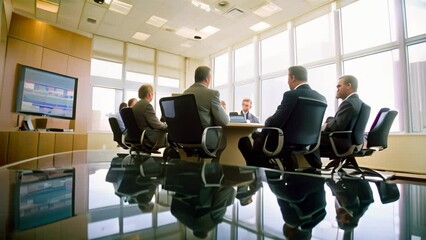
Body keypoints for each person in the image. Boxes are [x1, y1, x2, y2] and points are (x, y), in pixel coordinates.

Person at [238, 66, 326, 169]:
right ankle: (265, 169)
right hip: (309, 144)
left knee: (246, 140)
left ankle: (263, 171)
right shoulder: (321, 97)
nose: (288, 82)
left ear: (292, 77)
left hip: (285, 143)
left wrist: (267, 121)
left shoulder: (291, 95)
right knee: (257, 138)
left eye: (288, 78)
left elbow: (275, 121)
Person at [183, 66, 229, 156]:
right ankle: (214, 169)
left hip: (185, 139)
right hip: (206, 139)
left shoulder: (184, 93)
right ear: (207, 79)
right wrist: (222, 108)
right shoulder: (212, 94)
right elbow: (224, 121)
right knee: (227, 141)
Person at [314, 75, 364, 158]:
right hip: (351, 141)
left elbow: (338, 126)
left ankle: (313, 167)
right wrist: (330, 120)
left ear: (348, 86)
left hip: (341, 142)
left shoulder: (349, 103)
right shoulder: (358, 102)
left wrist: (325, 126)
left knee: (309, 139)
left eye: (339, 86)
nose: (337, 89)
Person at [132, 84, 168, 149]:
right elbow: (157, 125)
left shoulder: (136, 105)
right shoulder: (147, 105)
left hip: (138, 136)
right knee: (170, 134)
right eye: (152, 94)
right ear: (149, 94)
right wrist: (167, 125)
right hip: (148, 137)